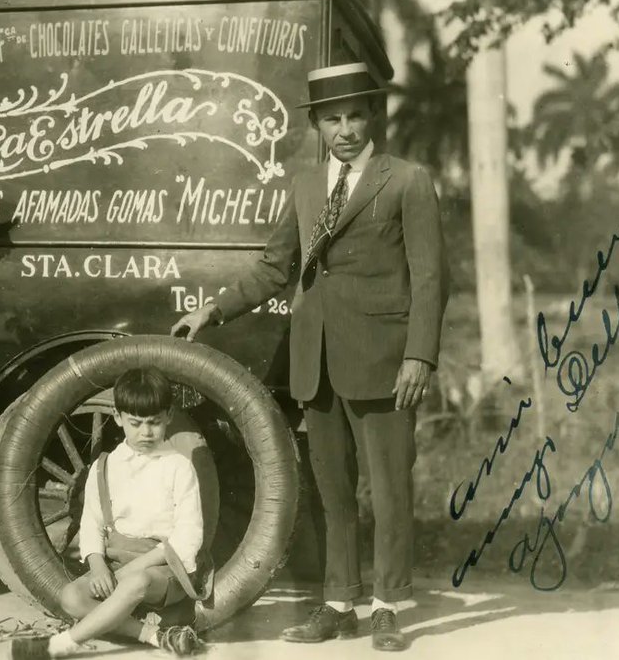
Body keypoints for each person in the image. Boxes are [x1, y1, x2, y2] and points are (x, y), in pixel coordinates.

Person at [171, 62, 448, 652]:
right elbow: (275, 267)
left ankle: (387, 607)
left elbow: (430, 278)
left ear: (371, 118)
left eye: (354, 117)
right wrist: (212, 311)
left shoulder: (407, 180)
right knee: (331, 491)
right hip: (315, 361)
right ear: (318, 125)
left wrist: (419, 356)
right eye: (332, 119)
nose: (345, 130)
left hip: (384, 360)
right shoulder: (304, 185)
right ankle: (339, 604)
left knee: (390, 489)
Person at [9, 367, 207, 659]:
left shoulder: (178, 467)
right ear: (117, 417)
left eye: (154, 422)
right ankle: (153, 635)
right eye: (135, 423)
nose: (145, 432)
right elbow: (92, 522)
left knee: (137, 582)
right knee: (71, 597)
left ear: (168, 416)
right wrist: (98, 564)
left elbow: (188, 536)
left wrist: (133, 570)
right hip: (117, 563)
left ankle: (62, 645)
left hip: (164, 567)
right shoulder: (105, 466)